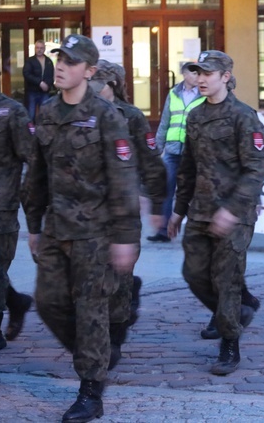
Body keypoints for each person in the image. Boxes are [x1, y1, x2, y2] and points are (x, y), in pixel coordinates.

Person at [24, 34, 141, 422]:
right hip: (57, 228)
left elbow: (124, 181)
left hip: (96, 233)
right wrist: (34, 226)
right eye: (59, 59)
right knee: (49, 302)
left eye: (71, 62)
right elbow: (37, 174)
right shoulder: (48, 113)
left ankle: (91, 390)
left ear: (90, 72)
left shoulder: (109, 117)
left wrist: (125, 239)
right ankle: (98, 353)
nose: (60, 66)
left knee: (90, 310)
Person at [168, 51, 264, 375]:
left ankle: (229, 343)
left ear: (225, 76)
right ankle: (239, 310)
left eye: (207, 73)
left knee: (226, 279)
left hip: (234, 215)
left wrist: (233, 209)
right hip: (200, 210)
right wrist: (178, 211)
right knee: (194, 274)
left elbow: (255, 169)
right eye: (197, 72)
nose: (200, 79)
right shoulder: (195, 116)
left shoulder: (243, 116)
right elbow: (187, 167)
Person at [93, 60, 167, 369]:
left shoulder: (132, 117)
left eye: (98, 83)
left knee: (118, 279)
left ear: (111, 86)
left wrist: (159, 206)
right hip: (87, 209)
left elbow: (151, 163)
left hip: (123, 207)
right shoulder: (82, 113)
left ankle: (116, 334)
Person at [0, 57, 34, 354]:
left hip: (0, 207)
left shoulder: (13, 113)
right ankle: (16, 301)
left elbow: (33, 159)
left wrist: (33, 210)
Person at [150, 62, 204, 242]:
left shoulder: (203, 94)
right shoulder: (173, 94)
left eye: (199, 73)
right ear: (184, 74)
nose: (197, 76)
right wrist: (157, 149)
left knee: (195, 191)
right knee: (167, 188)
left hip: (193, 152)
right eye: (193, 73)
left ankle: (196, 231)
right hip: (172, 151)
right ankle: (163, 231)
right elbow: (165, 122)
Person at [22, 39, 54, 121]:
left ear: (44, 49)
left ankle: (42, 132)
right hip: (32, 91)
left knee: (44, 115)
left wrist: (48, 85)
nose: (39, 50)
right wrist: (39, 82)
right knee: (31, 114)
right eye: (37, 48)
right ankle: (30, 132)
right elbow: (26, 74)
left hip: (44, 92)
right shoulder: (30, 61)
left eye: (41, 48)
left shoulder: (49, 61)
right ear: (35, 48)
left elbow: (51, 75)